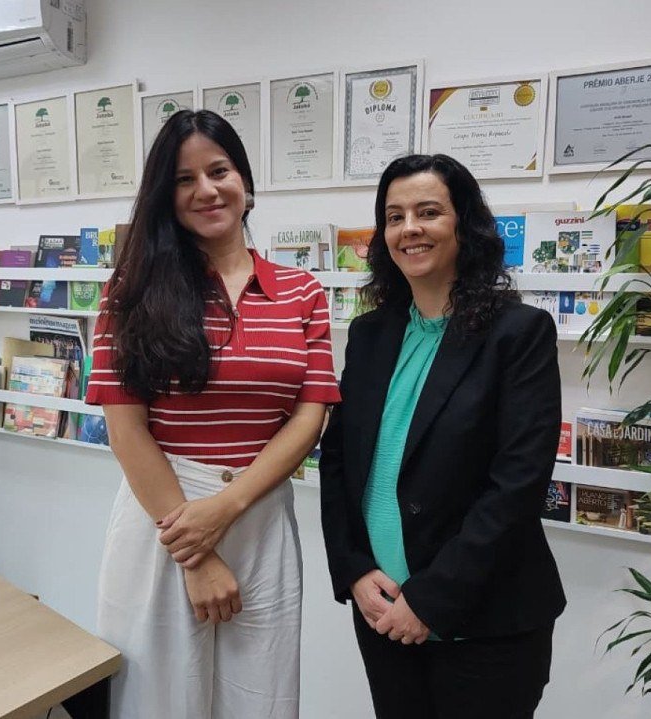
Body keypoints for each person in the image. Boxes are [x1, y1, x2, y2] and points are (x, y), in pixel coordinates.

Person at [85, 109, 340, 719]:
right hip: (164, 521)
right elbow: (126, 430)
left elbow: (309, 418)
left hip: (259, 514)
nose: (206, 190)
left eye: (219, 171)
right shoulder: (130, 292)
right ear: (165, 196)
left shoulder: (302, 292)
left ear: (244, 180)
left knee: (260, 702)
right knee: (157, 703)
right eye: (183, 179)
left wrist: (224, 509)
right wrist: (194, 552)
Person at [319, 154, 565, 719]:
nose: (410, 228)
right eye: (395, 216)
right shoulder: (370, 334)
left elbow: (518, 483)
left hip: (486, 623)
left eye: (428, 212)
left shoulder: (518, 333)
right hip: (382, 612)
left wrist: (430, 599)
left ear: (464, 225)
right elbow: (338, 461)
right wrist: (353, 569)